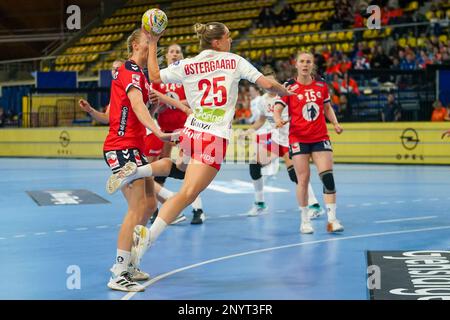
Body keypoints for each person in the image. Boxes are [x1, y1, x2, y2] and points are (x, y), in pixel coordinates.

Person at [108, 22, 293, 269]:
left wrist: (153, 43)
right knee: (187, 193)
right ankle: (148, 238)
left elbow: (154, 76)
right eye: (228, 37)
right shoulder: (234, 60)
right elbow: (268, 85)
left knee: (180, 167)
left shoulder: (189, 63)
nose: (230, 41)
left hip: (192, 130)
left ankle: (139, 170)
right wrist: (287, 93)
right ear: (217, 42)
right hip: (214, 136)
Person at [101, 29, 175, 292]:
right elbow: (135, 105)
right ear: (134, 45)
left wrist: (155, 106)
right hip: (121, 146)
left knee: (149, 204)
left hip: (135, 147)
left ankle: (131, 262)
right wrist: (156, 129)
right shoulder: (129, 70)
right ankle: (118, 272)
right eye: (148, 42)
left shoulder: (142, 78)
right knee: (135, 208)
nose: (151, 46)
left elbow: (141, 107)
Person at [79, 61, 193, 226]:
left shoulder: (140, 86)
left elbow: (151, 110)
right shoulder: (117, 95)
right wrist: (90, 111)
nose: (115, 70)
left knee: (147, 182)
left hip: (146, 137)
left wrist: (156, 105)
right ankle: (165, 204)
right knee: (143, 191)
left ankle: (168, 202)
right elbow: (107, 118)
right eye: (112, 68)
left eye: (118, 67)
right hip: (130, 143)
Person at [273, 51, 344, 234]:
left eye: (308, 62)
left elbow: (327, 107)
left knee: (327, 176)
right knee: (303, 180)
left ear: (313, 65)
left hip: (320, 137)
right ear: (296, 64)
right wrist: (278, 118)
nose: (305, 65)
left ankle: (332, 220)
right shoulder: (288, 86)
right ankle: (305, 220)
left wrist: (335, 123)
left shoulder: (321, 84)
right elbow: (278, 107)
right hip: (298, 138)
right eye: (302, 61)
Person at [242, 72, 324, 218]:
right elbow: (261, 120)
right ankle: (259, 203)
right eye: (267, 83)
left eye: (272, 82)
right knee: (254, 164)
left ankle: (314, 205)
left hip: (291, 139)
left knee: (296, 174)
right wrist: (248, 131)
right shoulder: (262, 101)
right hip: (275, 139)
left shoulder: (287, 94)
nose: (270, 86)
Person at [150, 43, 206, 225]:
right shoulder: (158, 80)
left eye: (178, 52)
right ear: (166, 56)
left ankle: (198, 209)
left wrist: (174, 101)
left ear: (182, 56)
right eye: (171, 51)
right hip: (165, 130)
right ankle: (157, 208)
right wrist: (160, 105)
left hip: (185, 129)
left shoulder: (187, 77)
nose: (174, 54)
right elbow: (152, 106)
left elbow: (195, 101)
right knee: (160, 171)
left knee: (190, 170)